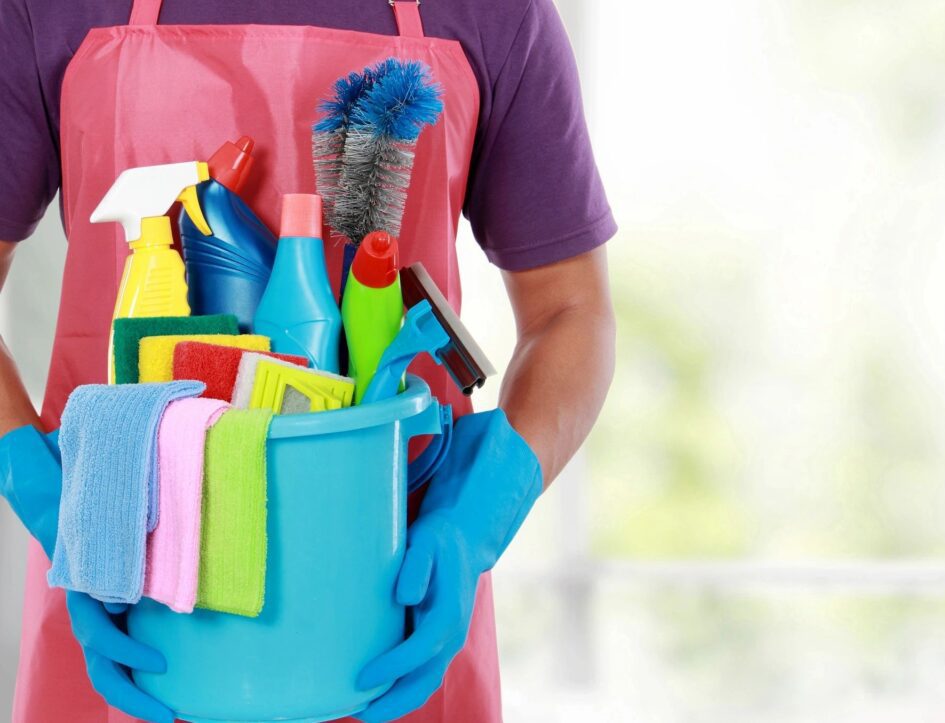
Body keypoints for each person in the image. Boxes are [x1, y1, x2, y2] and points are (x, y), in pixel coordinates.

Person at [0, 0, 616, 721]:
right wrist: (44, 488)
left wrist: (485, 504)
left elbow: (570, 310)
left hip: (391, 587)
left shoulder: (493, 11)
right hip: (128, 569)